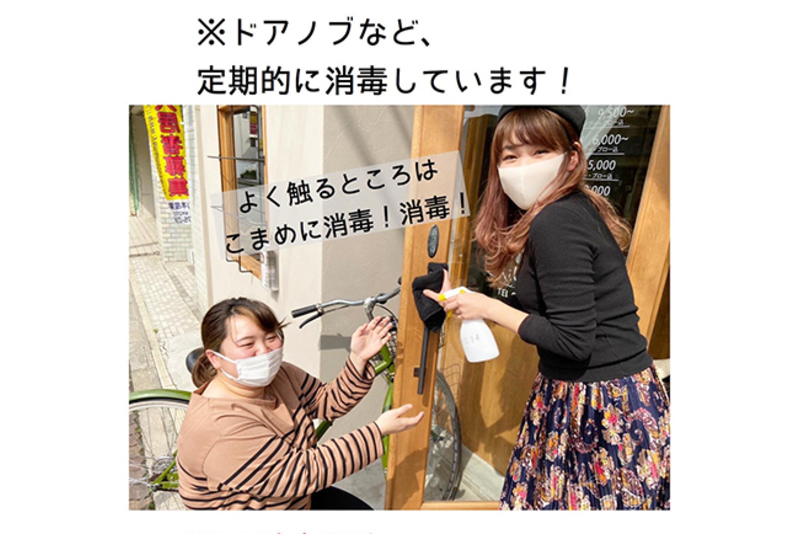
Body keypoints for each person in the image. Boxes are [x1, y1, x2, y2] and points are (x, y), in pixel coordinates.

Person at [424, 106, 670, 510]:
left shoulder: (554, 221)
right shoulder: (573, 208)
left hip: (599, 404)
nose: (524, 167)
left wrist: (487, 306)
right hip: (610, 394)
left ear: (571, 157)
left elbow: (572, 340)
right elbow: (553, 302)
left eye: (540, 152)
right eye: (511, 156)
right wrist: (469, 299)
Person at [177, 297, 423, 510]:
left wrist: (357, 359)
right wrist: (377, 432)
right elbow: (299, 473)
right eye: (248, 344)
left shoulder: (281, 375)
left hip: (296, 498)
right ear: (215, 358)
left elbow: (326, 402)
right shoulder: (219, 426)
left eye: (271, 337)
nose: (264, 350)